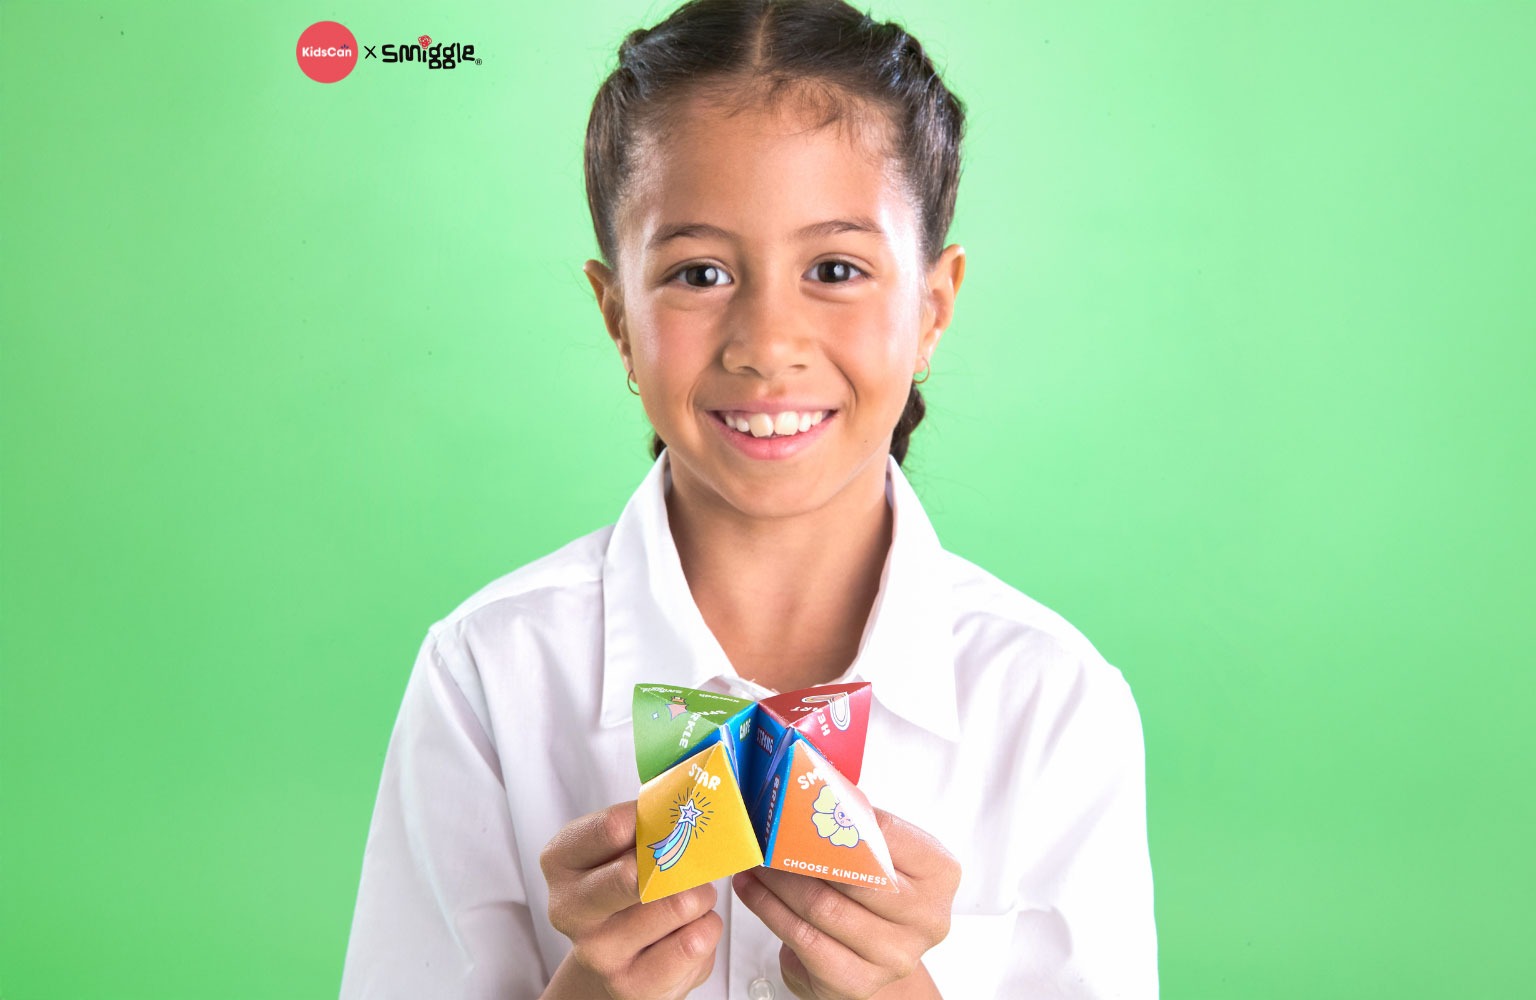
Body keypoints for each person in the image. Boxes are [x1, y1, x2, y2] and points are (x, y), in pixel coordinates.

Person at [339, 0, 1157, 997]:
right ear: (617, 318)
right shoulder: (486, 679)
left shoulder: (1054, 702)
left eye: (837, 268)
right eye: (700, 272)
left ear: (932, 309)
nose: (768, 343)